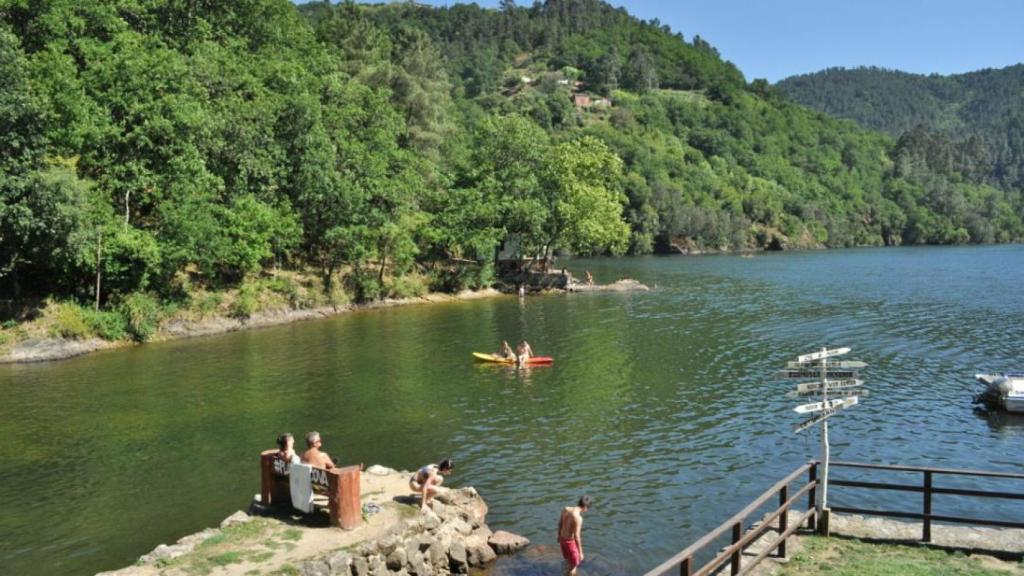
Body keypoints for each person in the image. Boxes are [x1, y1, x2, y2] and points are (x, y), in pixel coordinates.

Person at [557, 496, 591, 575]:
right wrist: (580, 552)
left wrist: (558, 535)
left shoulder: (566, 509)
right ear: (585, 507)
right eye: (588, 508)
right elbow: (577, 536)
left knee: (568, 560)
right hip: (570, 542)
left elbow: (560, 524)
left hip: (562, 539)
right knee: (574, 565)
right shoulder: (578, 518)